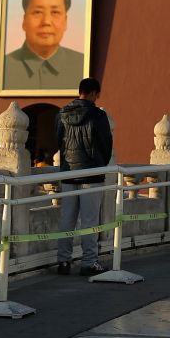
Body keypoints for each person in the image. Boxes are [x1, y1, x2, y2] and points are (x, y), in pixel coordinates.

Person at [54, 77, 112, 277]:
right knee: (89, 220)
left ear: (80, 91)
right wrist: (98, 163)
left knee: (66, 219)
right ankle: (89, 262)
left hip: (69, 173)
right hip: (91, 174)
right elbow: (106, 144)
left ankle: (63, 262)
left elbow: (59, 142)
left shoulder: (62, 114)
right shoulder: (98, 115)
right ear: (95, 93)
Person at [3, 0, 85, 91]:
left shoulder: (82, 65)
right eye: (38, 12)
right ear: (24, 21)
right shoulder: (4, 68)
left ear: (65, 21)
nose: (46, 22)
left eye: (55, 12)